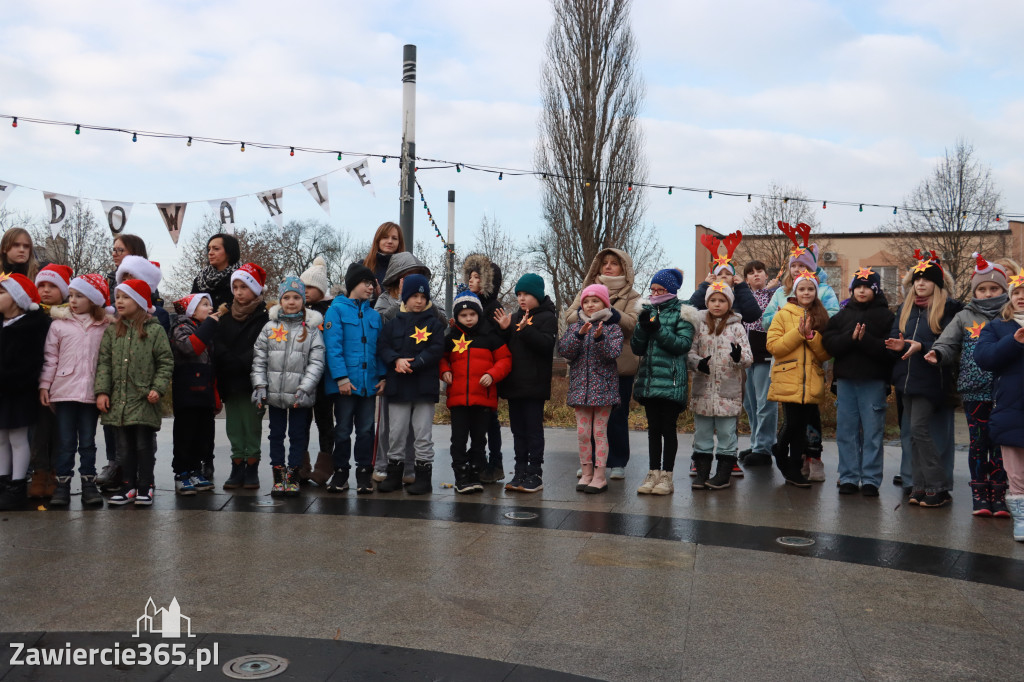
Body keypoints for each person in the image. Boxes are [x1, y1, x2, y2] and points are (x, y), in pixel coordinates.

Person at [926, 253, 1008, 515]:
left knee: (1001, 444)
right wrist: (938, 353)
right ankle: (979, 495)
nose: (987, 293)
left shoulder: (1011, 316)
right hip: (974, 390)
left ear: (1004, 290)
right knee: (979, 443)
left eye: (993, 288)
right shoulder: (964, 316)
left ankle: (999, 492)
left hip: (1006, 392)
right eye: (982, 289)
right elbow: (948, 342)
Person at [885, 251, 960, 508]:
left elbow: (948, 343)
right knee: (912, 434)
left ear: (937, 284)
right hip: (906, 378)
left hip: (931, 379)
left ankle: (938, 486)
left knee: (919, 430)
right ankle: (918, 486)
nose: (920, 284)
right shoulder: (905, 309)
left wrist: (922, 345)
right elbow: (897, 334)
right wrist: (897, 344)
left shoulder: (948, 309)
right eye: (917, 279)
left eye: (926, 279)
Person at [563, 249, 641, 482]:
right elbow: (569, 317)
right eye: (604, 263)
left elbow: (633, 325)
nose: (608, 267)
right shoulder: (586, 291)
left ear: (623, 269)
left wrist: (610, 312)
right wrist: (589, 310)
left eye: (614, 263)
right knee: (589, 423)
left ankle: (617, 461)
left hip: (619, 363)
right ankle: (594, 464)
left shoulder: (633, 296)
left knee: (617, 417)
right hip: (588, 364)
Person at [95, 279, 173, 506]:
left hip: (144, 398)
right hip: (119, 399)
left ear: (139, 302)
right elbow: (104, 363)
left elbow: (165, 362)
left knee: (143, 444)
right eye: (117, 296)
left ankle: (145, 486)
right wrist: (102, 391)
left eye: (125, 297)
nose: (119, 301)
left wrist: (157, 388)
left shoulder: (155, 330)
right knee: (124, 447)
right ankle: (127, 486)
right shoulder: (112, 331)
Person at [38, 274, 112, 507]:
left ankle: (89, 484)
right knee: (66, 441)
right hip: (64, 391)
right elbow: (51, 358)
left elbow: (107, 360)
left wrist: (105, 389)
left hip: (91, 392)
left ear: (92, 299)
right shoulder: (59, 325)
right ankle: (62, 485)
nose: (73, 300)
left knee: (88, 441)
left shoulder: (104, 325)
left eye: (79, 295)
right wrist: (45, 385)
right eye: (71, 295)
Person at [822, 268, 895, 497]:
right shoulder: (843, 316)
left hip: (872, 382)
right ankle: (849, 477)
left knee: (872, 432)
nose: (862, 291)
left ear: (875, 289)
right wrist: (850, 339)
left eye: (867, 287)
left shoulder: (886, 317)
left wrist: (866, 341)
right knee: (846, 432)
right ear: (852, 289)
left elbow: (889, 348)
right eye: (858, 287)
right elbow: (829, 343)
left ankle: (871, 479)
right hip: (846, 383)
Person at [251, 277, 325, 498]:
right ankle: (278, 475)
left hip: (299, 396)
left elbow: (317, 361)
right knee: (275, 435)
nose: (291, 302)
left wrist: (305, 387)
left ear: (303, 300)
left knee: (297, 435)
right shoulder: (269, 327)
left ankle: (293, 475)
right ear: (280, 300)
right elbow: (259, 359)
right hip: (274, 395)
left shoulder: (311, 330)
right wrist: (260, 385)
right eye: (286, 297)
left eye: (296, 297)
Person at [372, 252, 441, 484]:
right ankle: (393, 474)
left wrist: (419, 362)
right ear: (404, 296)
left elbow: (437, 347)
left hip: (423, 388)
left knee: (422, 435)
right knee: (396, 434)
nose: (419, 300)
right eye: (413, 295)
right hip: (399, 387)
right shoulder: (393, 321)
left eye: (423, 296)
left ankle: (422, 478)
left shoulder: (433, 321)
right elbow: (382, 345)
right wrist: (395, 361)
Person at [631, 269, 698, 496]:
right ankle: (652, 472)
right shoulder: (646, 310)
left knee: (668, 429)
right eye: (653, 289)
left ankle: (666, 476)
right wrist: (642, 327)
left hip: (670, 380)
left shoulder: (684, 312)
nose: (656, 293)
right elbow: (637, 348)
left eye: (661, 290)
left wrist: (658, 329)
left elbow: (682, 345)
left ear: (671, 291)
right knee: (653, 430)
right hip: (649, 380)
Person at [323, 263, 386, 495]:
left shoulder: (374, 316)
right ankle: (340, 472)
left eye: (372, 284)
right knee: (342, 429)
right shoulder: (336, 310)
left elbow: (379, 349)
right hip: (345, 385)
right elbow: (333, 346)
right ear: (353, 285)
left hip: (368, 385)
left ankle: (363, 473)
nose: (371, 287)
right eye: (366, 283)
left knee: (366, 430)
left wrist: (382, 376)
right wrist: (340, 377)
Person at [441, 288, 512, 494]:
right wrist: (444, 370)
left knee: (480, 439)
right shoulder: (452, 336)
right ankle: (461, 476)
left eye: (472, 314)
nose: (468, 318)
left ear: (478, 314)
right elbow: (442, 358)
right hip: (458, 400)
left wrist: (493, 374)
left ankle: (475, 472)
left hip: (483, 399)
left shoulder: (490, 335)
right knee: (459, 439)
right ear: (457, 316)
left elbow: (505, 359)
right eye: (463, 315)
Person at [494, 273, 558, 493]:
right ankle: (520, 470)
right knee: (517, 430)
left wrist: (526, 329)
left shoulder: (547, 317)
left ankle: (535, 473)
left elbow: (545, 345)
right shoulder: (513, 318)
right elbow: (505, 349)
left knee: (533, 430)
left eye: (527, 294)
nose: (521, 298)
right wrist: (504, 330)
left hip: (534, 386)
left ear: (538, 295)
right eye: (519, 294)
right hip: (515, 385)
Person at [766, 271, 831, 487]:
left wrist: (812, 336)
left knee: (802, 426)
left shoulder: (821, 316)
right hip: (788, 377)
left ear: (816, 291)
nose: (806, 292)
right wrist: (799, 333)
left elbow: (825, 354)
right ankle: (781, 452)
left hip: (811, 379)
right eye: (802, 288)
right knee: (792, 422)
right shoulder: (783, 314)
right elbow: (774, 347)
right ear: (795, 291)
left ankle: (794, 467)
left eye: (810, 289)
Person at [687, 281, 753, 489]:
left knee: (726, 434)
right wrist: (698, 363)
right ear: (707, 302)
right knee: (702, 434)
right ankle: (702, 473)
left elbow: (748, 358)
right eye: (713, 300)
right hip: (703, 390)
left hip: (728, 391)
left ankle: (723, 475)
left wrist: (737, 356)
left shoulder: (737, 327)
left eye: (722, 300)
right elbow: (689, 353)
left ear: (729, 302)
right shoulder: (699, 325)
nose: (717, 304)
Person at [559, 284, 624, 494]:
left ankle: (599, 475)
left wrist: (599, 338)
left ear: (605, 304)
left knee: (599, 433)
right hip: (580, 389)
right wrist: (579, 335)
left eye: (594, 301)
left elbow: (613, 353)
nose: (589, 305)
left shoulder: (612, 327)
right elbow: (566, 351)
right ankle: (586, 473)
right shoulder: (574, 327)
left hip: (604, 389)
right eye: (586, 301)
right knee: (582, 433)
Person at [974, 272, 1024, 541]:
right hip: (1011, 406)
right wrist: (1014, 342)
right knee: (1015, 469)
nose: (1021, 297)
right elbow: (984, 357)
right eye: (1017, 292)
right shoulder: (997, 327)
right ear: (1010, 297)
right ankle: (1022, 519)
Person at [214, 263, 269, 490]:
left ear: (255, 289)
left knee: (252, 423)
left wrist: (242, 361)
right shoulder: (224, 317)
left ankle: (252, 466)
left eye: (244, 287)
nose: (238, 292)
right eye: (235, 287)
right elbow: (217, 343)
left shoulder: (263, 317)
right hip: (230, 379)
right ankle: (237, 465)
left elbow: (263, 345)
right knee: (234, 425)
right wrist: (228, 360)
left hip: (252, 380)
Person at [0, 273, 50, 511]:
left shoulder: (30, 328)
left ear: (17, 299)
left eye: (2, 292)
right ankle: (3, 481)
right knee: (1, 439)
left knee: (18, 438)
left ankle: (17, 485)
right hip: (3, 392)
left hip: (18, 392)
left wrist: (11, 379)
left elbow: (31, 363)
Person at [26, 264, 73, 499]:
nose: (45, 290)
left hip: (65, 382)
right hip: (37, 381)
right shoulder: (32, 315)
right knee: (39, 431)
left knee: (60, 431)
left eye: (52, 286)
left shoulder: (71, 316)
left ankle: (56, 472)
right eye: (41, 285)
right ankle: (39, 472)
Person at [462, 253, 510, 483]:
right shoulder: (470, 304)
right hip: (470, 372)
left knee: (490, 419)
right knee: (476, 419)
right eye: (470, 277)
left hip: (487, 373)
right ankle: (478, 458)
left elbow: (498, 341)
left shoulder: (492, 307)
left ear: (488, 281)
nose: (471, 281)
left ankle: (495, 461)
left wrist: (502, 329)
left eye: (476, 277)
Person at [170, 293, 221, 495]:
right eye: (204, 304)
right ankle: (181, 472)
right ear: (191, 309)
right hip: (187, 391)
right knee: (185, 434)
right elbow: (191, 347)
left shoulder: (205, 329)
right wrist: (209, 325)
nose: (210, 308)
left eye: (210, 304)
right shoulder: (181, 327)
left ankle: (195, 470)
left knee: (203, 435)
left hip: (205, 391)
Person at [739, 260, 780, 468]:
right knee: (750, 403)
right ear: (746, 278)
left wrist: (770, 290)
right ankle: (757, 443)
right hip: (747, 353)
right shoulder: (742, 295)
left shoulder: (774, 295)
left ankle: (764, 448)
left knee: (765, 402)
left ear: (766, 275)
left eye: (760, 271)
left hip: (765, 351)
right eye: (751, 273)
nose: (756, 275)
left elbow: (766, 317)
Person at [761, 221, 840, 330]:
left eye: (801, 265)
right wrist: (779, 316)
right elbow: (765, 322)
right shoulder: (781, 292)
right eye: (793, 266)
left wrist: (806, 319)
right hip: (787, 342)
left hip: (815, 341)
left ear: (811, 269)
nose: (796, 269)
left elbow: (835, 317)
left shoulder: (825, 290)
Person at [299, 256, 336, 487]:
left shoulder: (331, 311)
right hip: (302, 376)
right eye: (304, 286)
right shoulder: (296, 309)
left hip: (324, 377)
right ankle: (301, 464)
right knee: (302, 421)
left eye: (311, 287)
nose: (306, 291)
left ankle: (324, 465)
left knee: (324, 421)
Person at [191, 233, 240, 310]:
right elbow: (192, 308)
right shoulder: (201, 279)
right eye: (209, 249)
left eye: (216, 249)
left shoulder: (242, 276)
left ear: (229, 252)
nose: (210, 253)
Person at [363, 221, 405, 301]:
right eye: (385, 237)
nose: (390, 241)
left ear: (399, 243)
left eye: (394, 238)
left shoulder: (406, 269)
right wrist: (374, 296)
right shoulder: (363, 266)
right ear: (378, 240)